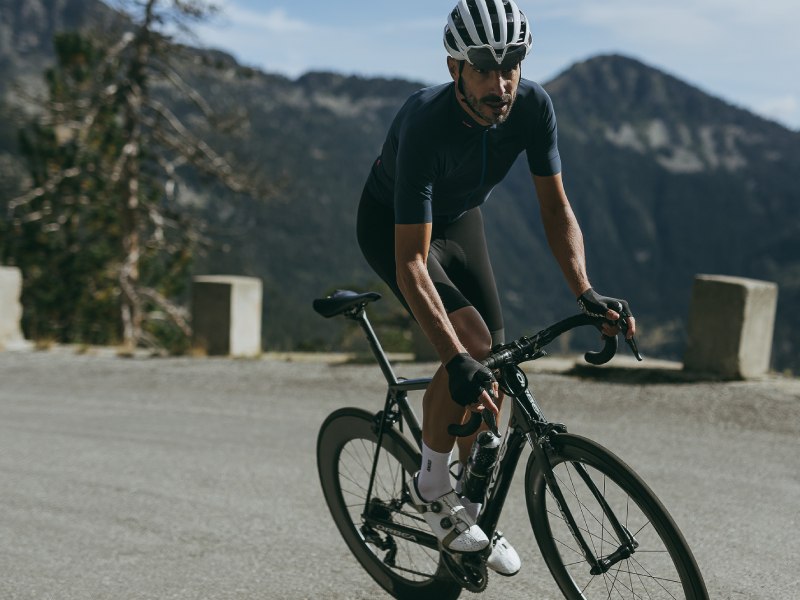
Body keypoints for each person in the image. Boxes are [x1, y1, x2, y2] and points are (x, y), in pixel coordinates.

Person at [356, 0, 635, 576]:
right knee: (471, 346)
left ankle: (470, 507)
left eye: (510, 66)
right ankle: (431, 485)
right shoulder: (425, 122)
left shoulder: (533, 106)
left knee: (496, 363)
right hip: (394, 228)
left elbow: (555, 207)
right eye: (484, 68)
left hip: (461, 221)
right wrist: (453, 356)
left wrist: (585, 291)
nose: (500, 84)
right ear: (455, 67)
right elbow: (411, 262)